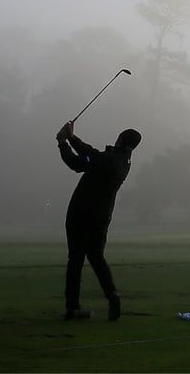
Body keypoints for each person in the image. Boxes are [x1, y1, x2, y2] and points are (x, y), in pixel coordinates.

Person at [55, 120, 141, 321]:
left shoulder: (109, 160)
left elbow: (79, 163)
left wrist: (64, 142)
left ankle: (73, 307)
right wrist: (71, 138)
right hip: (102, 217)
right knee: (96, 257)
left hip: (81, 213)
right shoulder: (123, 162)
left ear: (120, 139)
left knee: (75, 259)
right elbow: (90, 154)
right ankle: (112, 295)